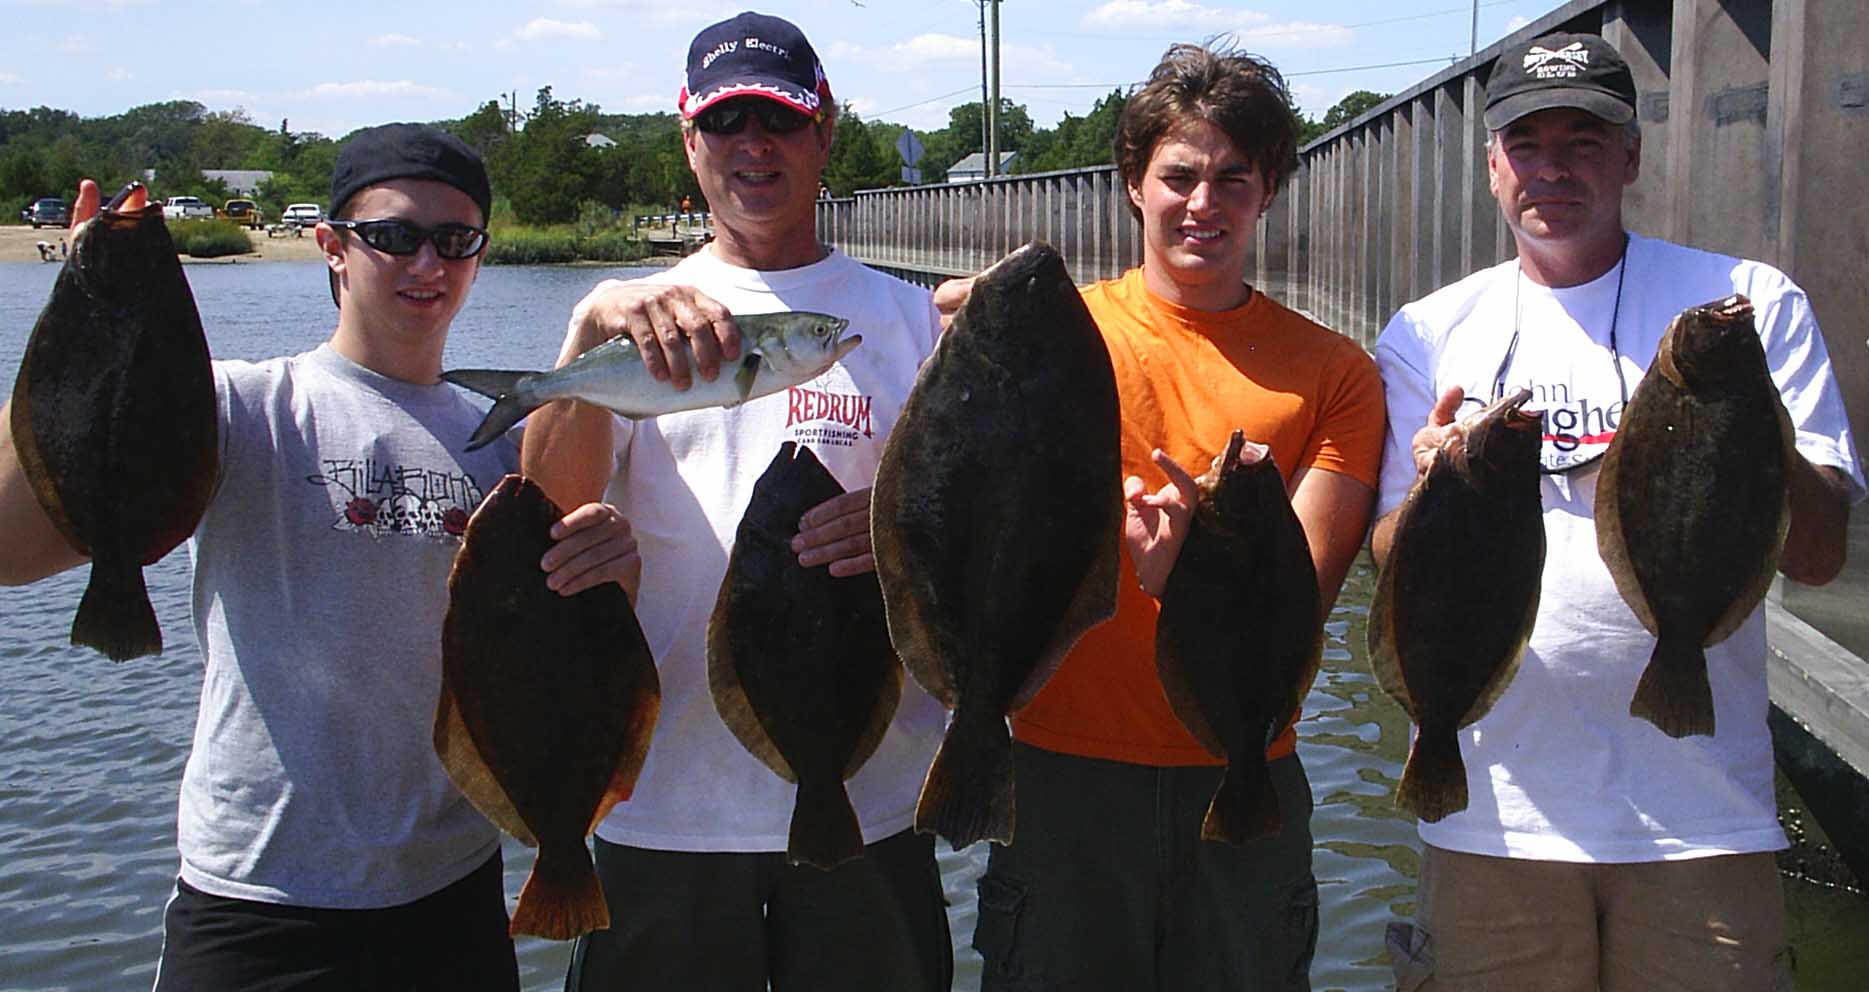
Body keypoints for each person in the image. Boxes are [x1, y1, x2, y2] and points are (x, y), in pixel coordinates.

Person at [0, 123, 640, 990]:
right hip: (256, 900)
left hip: (449, 893)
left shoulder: (509, 440)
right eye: (393, 236)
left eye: (455, 241)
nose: (427, 264)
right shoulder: (240, 407)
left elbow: (577, 627)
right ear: (332, 249)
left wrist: (615, 565)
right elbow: (11, 549)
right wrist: (83, 326)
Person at [1369, 31, 1863, 992]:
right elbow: (1388, 555)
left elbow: (1812, 553)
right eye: (1526, 143)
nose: (1551, 168)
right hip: (1491, 817)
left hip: (1703, 820)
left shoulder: (1747, 304)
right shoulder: (1426, 331)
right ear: (1490, 165)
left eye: (1583, 141)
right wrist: (1436, 493)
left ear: (1631, 155)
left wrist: (1751, 427)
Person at [935, 41, 1384, 991]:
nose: (1203, 204)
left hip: (1241, 763)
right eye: (1177, 175)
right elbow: (954, 514)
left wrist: (1187, 576)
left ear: (1268, 191)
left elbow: (1304, 586)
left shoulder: (1335, 373)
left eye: (1233, 178)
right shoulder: (1055, 333)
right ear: (1133, 186)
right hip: (1057, 769)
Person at [520, 12, 952, 992]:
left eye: (780, 119)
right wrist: (589, 327)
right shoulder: (636, 316)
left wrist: (899, 531)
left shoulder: (905, 318)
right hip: (661, 808)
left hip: (867, 796)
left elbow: (967, 540)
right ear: (688, 138)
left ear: (824, 129)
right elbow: (541, 523)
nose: (753, 146)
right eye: (726, 123)